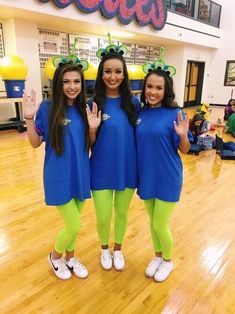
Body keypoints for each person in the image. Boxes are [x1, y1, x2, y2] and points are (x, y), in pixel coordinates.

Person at [22, 63, 97, 280]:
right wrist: (28, 118)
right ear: (58, 83)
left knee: (72, 223)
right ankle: (55, 257)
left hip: (82, 172)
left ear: (82, 84)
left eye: (76, 81)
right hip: (58, 174)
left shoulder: (86, 108)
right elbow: (35, 144)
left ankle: (70, 257)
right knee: (74, 224)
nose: (72, 86)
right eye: (66, 81)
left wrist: (92, 129)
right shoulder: (48, 107)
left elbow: (90, 144)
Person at [136, 68, 190, 282]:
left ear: (166, 90)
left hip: (168, 176)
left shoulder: (176, 114)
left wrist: (184, 136)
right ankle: (157, 257)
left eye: (159, 88)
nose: (153, 92)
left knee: (160, 224)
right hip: (146, 175)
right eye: (149, 86)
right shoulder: (141, 113)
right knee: (152, 221)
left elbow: (184, 149)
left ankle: (167, 261)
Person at [88, 50, 140, 271]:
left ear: (124, 74)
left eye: (118, 72)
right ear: (101, 75)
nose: (113, 76)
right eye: (108, 71)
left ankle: (117, 249)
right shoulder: (93, 103)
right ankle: (103, 249)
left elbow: (141, 136)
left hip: (127, 168)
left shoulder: (134, 103)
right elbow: (89, 143)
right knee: (103, 215)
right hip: (100, 168)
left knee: (121, 212)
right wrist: (92, 130)